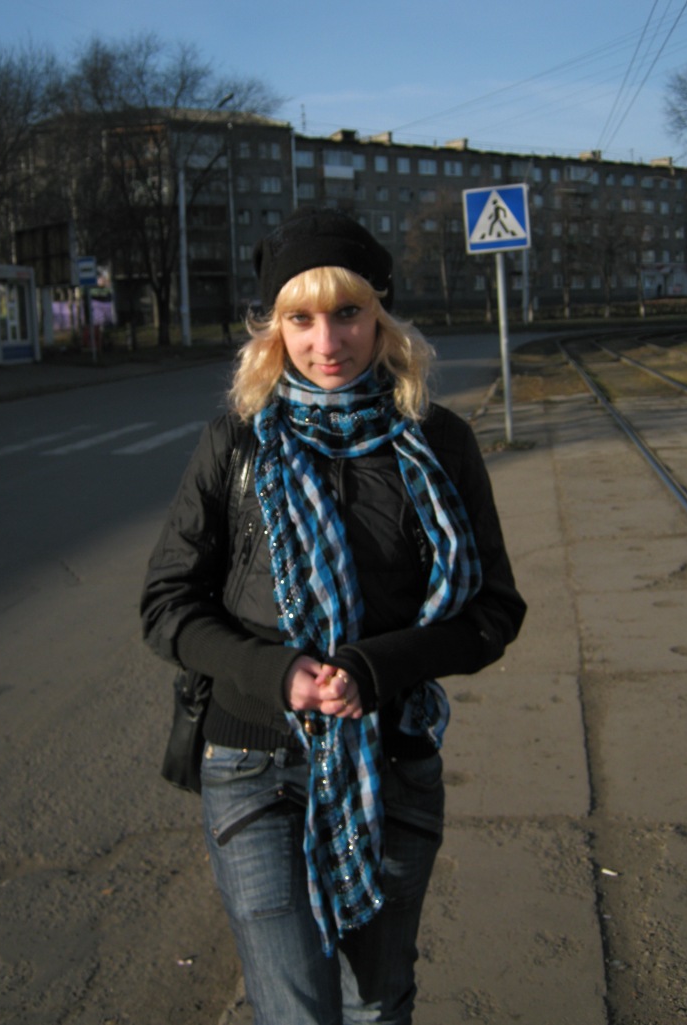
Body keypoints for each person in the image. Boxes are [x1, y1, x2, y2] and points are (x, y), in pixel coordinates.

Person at [141, 208, 526, 1025]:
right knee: (296, 1012)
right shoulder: (237, 443)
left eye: (348, 312)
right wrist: (279, 672)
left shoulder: (440, 441)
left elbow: (494, 610)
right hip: (253, 764)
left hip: (392, 760)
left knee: (377, 1003)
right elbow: (168, 604)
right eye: (301, 318)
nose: (327, 342)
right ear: (273, 330)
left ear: (381, 316)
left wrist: (377, 668)